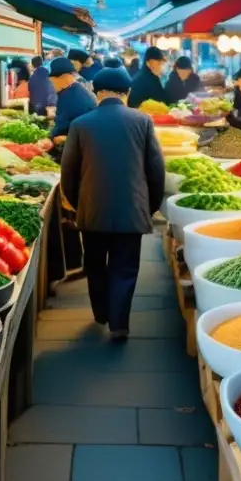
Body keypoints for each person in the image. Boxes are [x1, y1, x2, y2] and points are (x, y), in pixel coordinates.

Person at [60, 67, 165, 340]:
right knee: (125, 267)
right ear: (127, 93)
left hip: (92, 210)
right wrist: (151, 205)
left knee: (94, 264)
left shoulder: (80, 124)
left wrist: (78, 203)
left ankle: (100, 313)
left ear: (96, 92)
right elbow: (155, 170)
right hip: (132, 209)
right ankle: (119, 323)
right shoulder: (143, 121)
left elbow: (68, 173)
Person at [49, 57, 97, 139]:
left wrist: (50, 136)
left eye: (51, 80)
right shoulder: (77, 89)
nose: (51, 84)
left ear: (63, 76)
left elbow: (61, 129)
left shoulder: (67, 96)